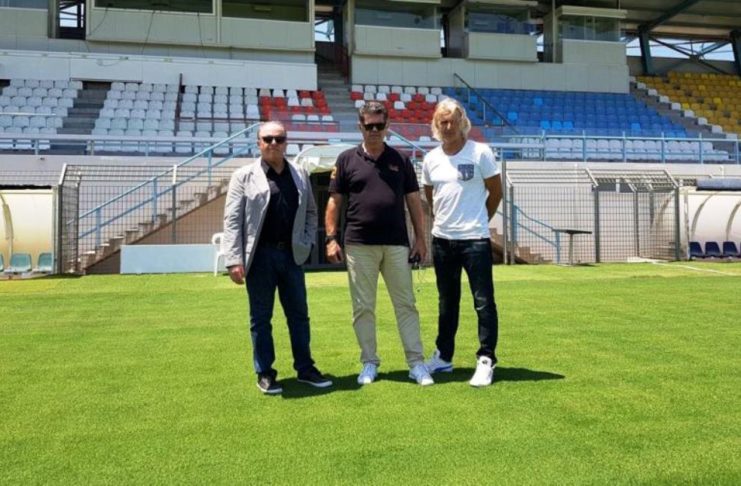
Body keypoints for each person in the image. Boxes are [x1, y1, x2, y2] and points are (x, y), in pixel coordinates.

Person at [325, 101, 434, 386]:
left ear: (388, 127)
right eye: (369, 125)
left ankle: (416, 363)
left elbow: (414, 201)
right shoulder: (345, 160)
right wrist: (331, 238)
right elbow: (334, 202)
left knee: (406, 304)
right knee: (363, 307)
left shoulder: (401, 160)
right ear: (360, 126)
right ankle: (369, 362)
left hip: (396, 244)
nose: (374, 130)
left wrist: (420, 239)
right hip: (358, 245)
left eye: (379, 125)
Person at [223, 121, 332, 395]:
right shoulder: (243, 176)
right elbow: (232, 221)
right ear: (258, 143)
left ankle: (305, 369)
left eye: (279, 139)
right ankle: (265, 373)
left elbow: (310, 212)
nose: (273, 143)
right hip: (260, 256)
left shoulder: (299, 173)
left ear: (286, 142)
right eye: (268, 139)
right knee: (261, 318)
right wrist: (234, 259)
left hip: (291, 255)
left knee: (299, 316)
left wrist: (306, 241)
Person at [421, 98, 503, 387]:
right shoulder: (430, 159)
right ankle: (443, 357)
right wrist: (444, 221)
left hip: (475, 240)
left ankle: (486, 358)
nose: (448, 126)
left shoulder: (480, 152)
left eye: (452, 121)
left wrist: (480, 219)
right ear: (436, 125)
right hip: (442, 241)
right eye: (442, 122)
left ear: (462, 123)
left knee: (483, 302)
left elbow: (496, 192)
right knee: (447, 302)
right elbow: (430, 195)